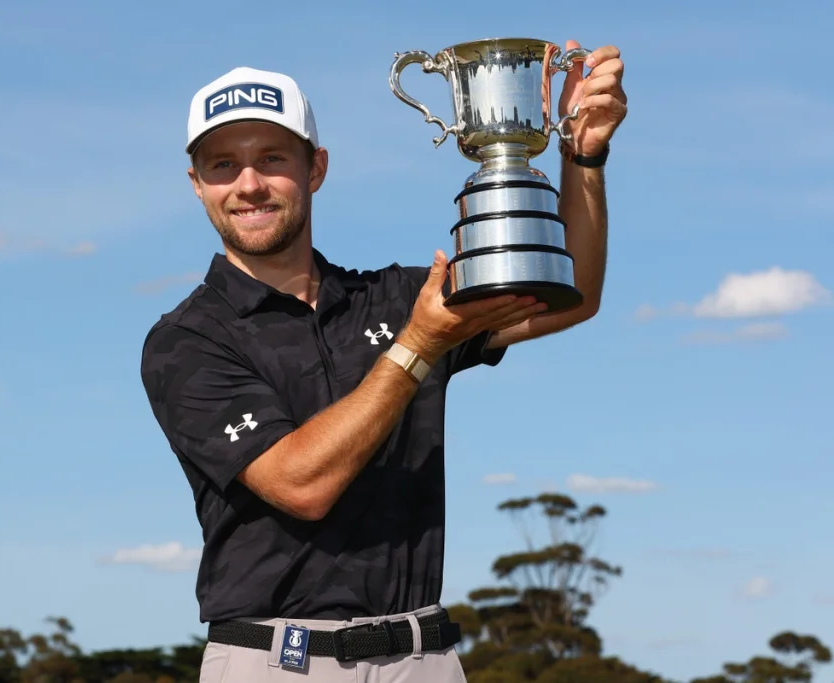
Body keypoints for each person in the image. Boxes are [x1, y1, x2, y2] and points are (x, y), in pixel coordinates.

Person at [140, 41, 627, 682]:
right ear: (197, 184)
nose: (249, 184)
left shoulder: (399, 299)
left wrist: (581, 155)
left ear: (315, 168)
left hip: (422, 657)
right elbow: (301, 486)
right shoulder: (186, 339)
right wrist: (419, 346)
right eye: (223, 165)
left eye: (272, 159)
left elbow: (571, 296)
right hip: (274, 661)